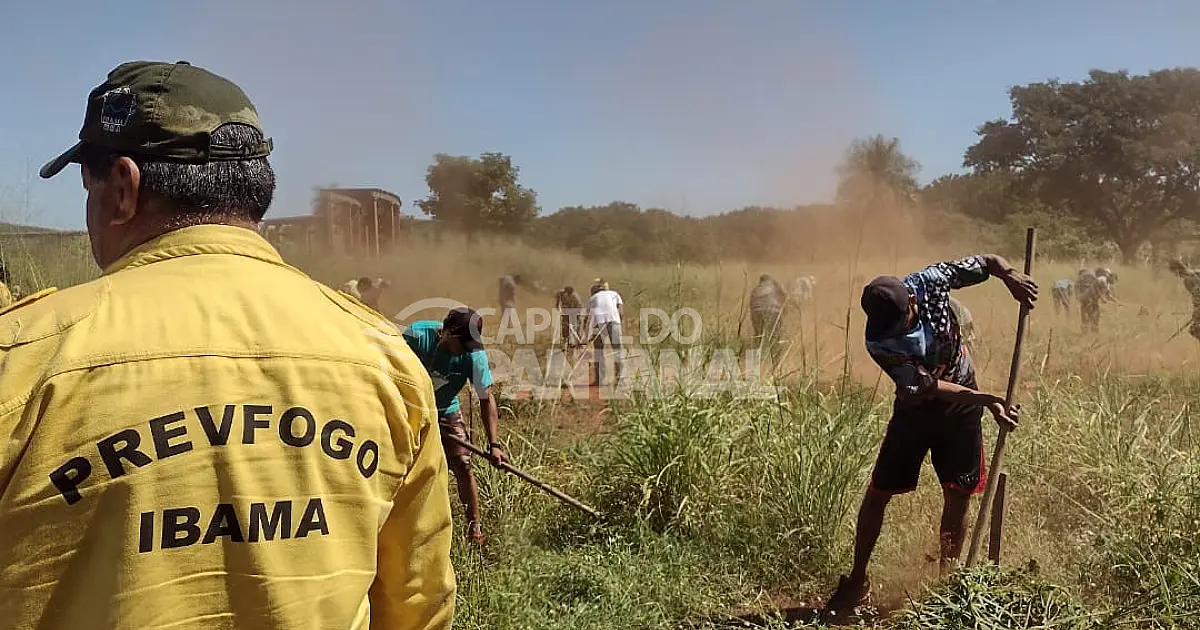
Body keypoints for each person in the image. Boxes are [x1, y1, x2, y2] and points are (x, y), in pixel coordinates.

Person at [10, 61, 454, 628]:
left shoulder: (24, 356)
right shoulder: (385, 359)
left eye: (88, 186)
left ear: (122, 187)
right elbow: (418, 603)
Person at [822, 255, 1034, 621]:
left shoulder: (931, 281)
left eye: (900, 325)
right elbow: (929, 387)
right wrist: (988, 401)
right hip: (917, 410)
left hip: (961, 405)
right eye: (888, 330)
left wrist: (1010, 277)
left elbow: (986, 262)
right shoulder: (879, 340)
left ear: (913, 302)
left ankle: (947, 587)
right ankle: (857, 580)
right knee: (879, 492)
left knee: (959, 492)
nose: (895, 336)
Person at [402, 307, 509, 546]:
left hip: (446, 410)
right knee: (402, 464)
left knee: (462, 465)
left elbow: (486, 398)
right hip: (408, 409)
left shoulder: (474, 356)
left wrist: (494, 445)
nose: (465, 350)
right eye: (463, 343)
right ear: (448, 333)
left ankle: (474, 531)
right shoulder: (416, 336)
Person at [586, 279, 625, 387]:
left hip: (598, 323)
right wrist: (619, 324)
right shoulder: (614, 294)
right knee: (618, 350)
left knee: (598, 351)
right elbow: (621, 311)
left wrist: (588, 336)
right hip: (614, 321)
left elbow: (588, 317)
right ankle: (620, 380)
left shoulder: (592, 298)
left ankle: (599, 380)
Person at [749, 274, 786, 350]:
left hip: (756, 312)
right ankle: (775, 354)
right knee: (775, 335)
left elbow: (751, 304)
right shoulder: (776, 287)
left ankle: (757, 352)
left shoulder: (756, 289)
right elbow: (784, 299)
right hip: (774, 311)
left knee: (758, 334)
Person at [1169, 258, 1200, 341]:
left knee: (1195, 329)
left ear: (1176, 270)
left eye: (1173, 272)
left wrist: (1197, 313)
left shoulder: (1188, 280)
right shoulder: (1196, 272)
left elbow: (1197, 296)